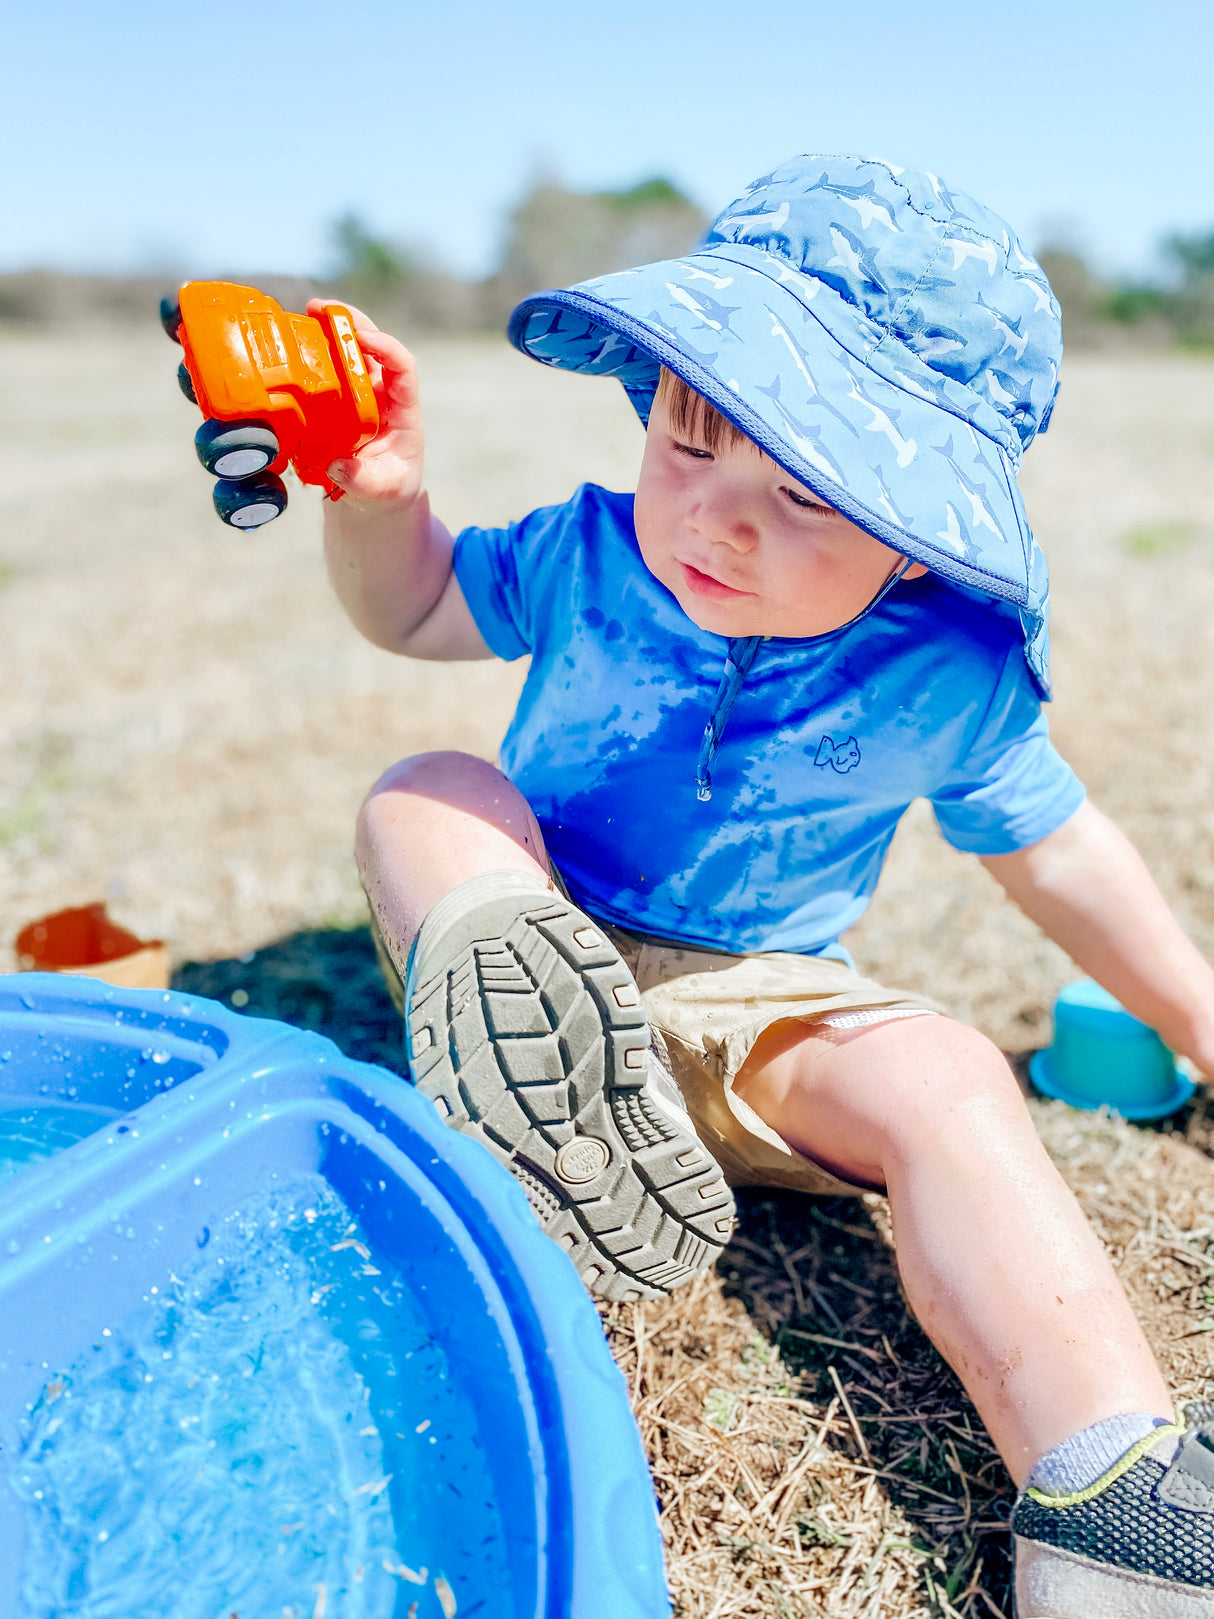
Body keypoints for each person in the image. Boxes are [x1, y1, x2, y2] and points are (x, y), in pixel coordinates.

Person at [313, 156, 1214, 1617]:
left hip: (759, 1011)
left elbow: (1056, 853)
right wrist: (377, 502)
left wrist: (1196, 1019)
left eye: (803, 493)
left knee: (944, 1074)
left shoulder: (944, 674)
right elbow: (414, 603)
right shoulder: (591, 553)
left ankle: (1108, 1493)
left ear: (919, 533)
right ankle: (520, 1017)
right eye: (688, 445)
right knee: (432, 788)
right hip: (529, 915)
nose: (715, 521)